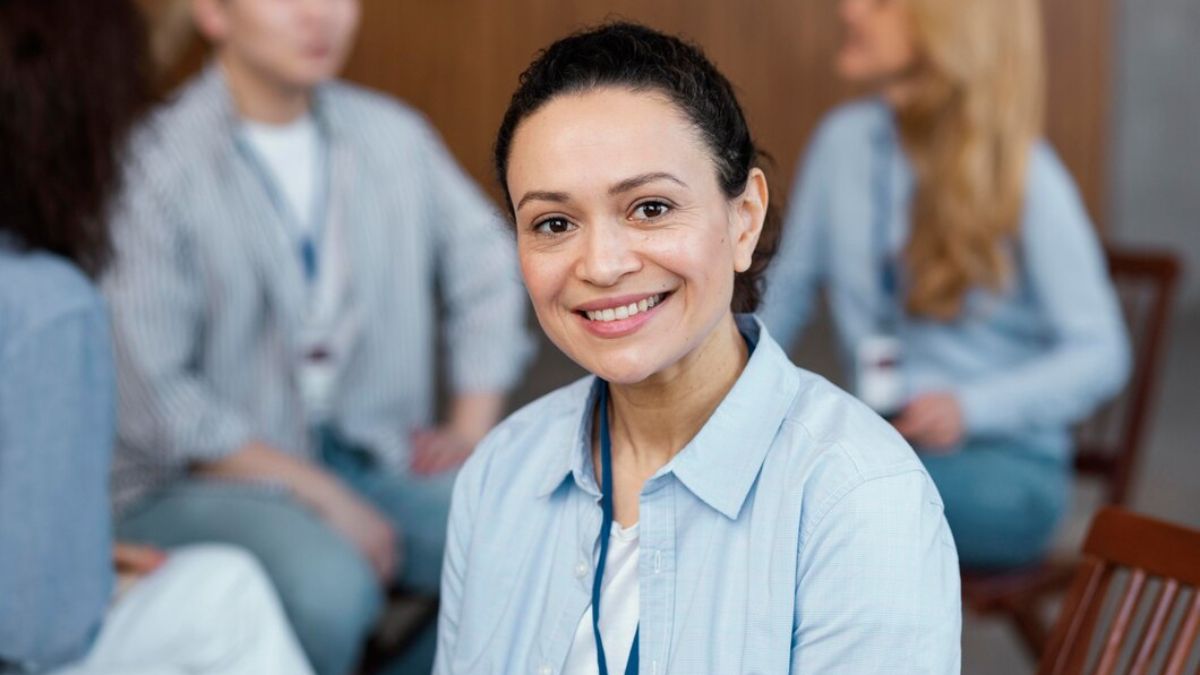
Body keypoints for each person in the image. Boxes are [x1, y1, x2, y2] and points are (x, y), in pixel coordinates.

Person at [435, 22, 960, 674]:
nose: (600, 263)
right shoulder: (500, 476)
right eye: (554, 223)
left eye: (650, 208)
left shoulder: (859, 499)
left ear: (744, 220)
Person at [102, 0, 533, 673]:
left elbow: (490, 266)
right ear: (212, 13)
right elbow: (157, 399)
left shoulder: (392, 135)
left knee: (529, 533)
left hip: (370, 449)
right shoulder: (155, 163)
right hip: (201, 479)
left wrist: (471, 431)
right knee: (329, 588)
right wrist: (322, 493)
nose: (318, 16)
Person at [760, 0, 1130, 569]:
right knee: (773, 486)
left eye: (881, 2)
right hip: (882, 445)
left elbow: (1102, 354)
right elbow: (783, 296)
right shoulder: (841, 144)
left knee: (811, 501)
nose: (850, 9)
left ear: (949, 26)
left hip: (1002, 468)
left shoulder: (1024, 172)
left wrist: (970, 408)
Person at [0, 1, 312, 673]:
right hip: (159, 489)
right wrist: (78, 579)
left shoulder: (388, 136)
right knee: (225, 594)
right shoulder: (45, 305)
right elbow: (36, 631)